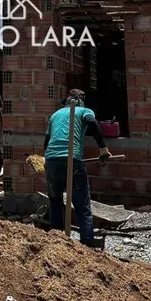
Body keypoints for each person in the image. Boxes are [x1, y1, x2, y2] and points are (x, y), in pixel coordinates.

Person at [42, 89, 111, 247]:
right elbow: (93, 122)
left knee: (55, 202)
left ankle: (56, 241)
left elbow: (46, 143)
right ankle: (87, 243)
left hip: (51, 161)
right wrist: (103, 149)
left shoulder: (55, 115)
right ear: (81, 101)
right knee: (81, 205)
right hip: (71, 160)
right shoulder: (83, 110)